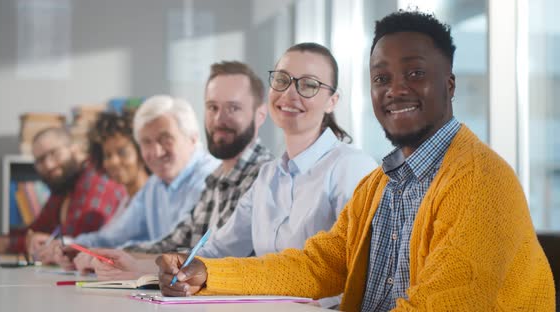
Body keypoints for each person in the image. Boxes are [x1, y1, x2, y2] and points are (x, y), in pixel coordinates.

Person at [155, 11, 556, 311]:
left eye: (415, 73)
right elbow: (318, 266)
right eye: (381, 78)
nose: (395, 90)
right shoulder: (381, 184)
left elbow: (442, 303)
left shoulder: (482, 182)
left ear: (450, 84)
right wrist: (208, 274)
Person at [143, 42, 375, 308]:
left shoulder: (352, 168)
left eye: (309, 85)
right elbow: (220, 250)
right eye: (282, 80)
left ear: (332, 101)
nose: (290, 93)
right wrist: (181, 266)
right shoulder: (268, 175)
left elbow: (353, 271)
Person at [64, 61, 275, 275]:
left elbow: (216, 257)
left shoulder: (264, 174)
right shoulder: (217, 177)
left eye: (233, 108)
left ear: (260, 115)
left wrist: (133, 264)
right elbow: (174, 243)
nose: (219, 119)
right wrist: (108, 255)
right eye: (213, 107)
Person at [50, 95, 220, 261]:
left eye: (165, 139)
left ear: (193, 137)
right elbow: (114, 236)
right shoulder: (155, 185)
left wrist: (104, 255)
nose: (156, 152)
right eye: (146, 142)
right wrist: (73, 247)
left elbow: (179, 248)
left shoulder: (210, 179)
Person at [0, 127, 127, 255]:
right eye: (40, 160)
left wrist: (3, 245)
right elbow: (37, 229)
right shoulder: (64, 184)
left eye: (54, 153)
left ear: (75, 149)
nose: (49, 165)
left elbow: (73, 239)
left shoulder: (96, 179)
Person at [34, 111, 150, 262]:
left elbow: (123, 245)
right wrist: (68, 245)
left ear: (141, 151)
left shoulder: (153, 195)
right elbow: (107, 238)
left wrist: (78, 248)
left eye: (122, 152)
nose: (113, 162)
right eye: (107, 155)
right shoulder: (126, 201)